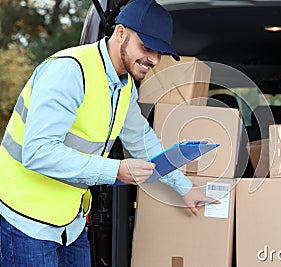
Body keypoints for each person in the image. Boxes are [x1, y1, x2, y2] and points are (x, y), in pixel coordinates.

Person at [0, 0, 219, 266]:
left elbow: (142, 141)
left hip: (70, 221)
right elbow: (37, 153)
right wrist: (114, 170)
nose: (154, 59)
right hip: (26, 220)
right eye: (147, 47)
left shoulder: (123, 85)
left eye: (160, 51)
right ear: (120, 33)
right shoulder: (70, 71)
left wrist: (184, 187)